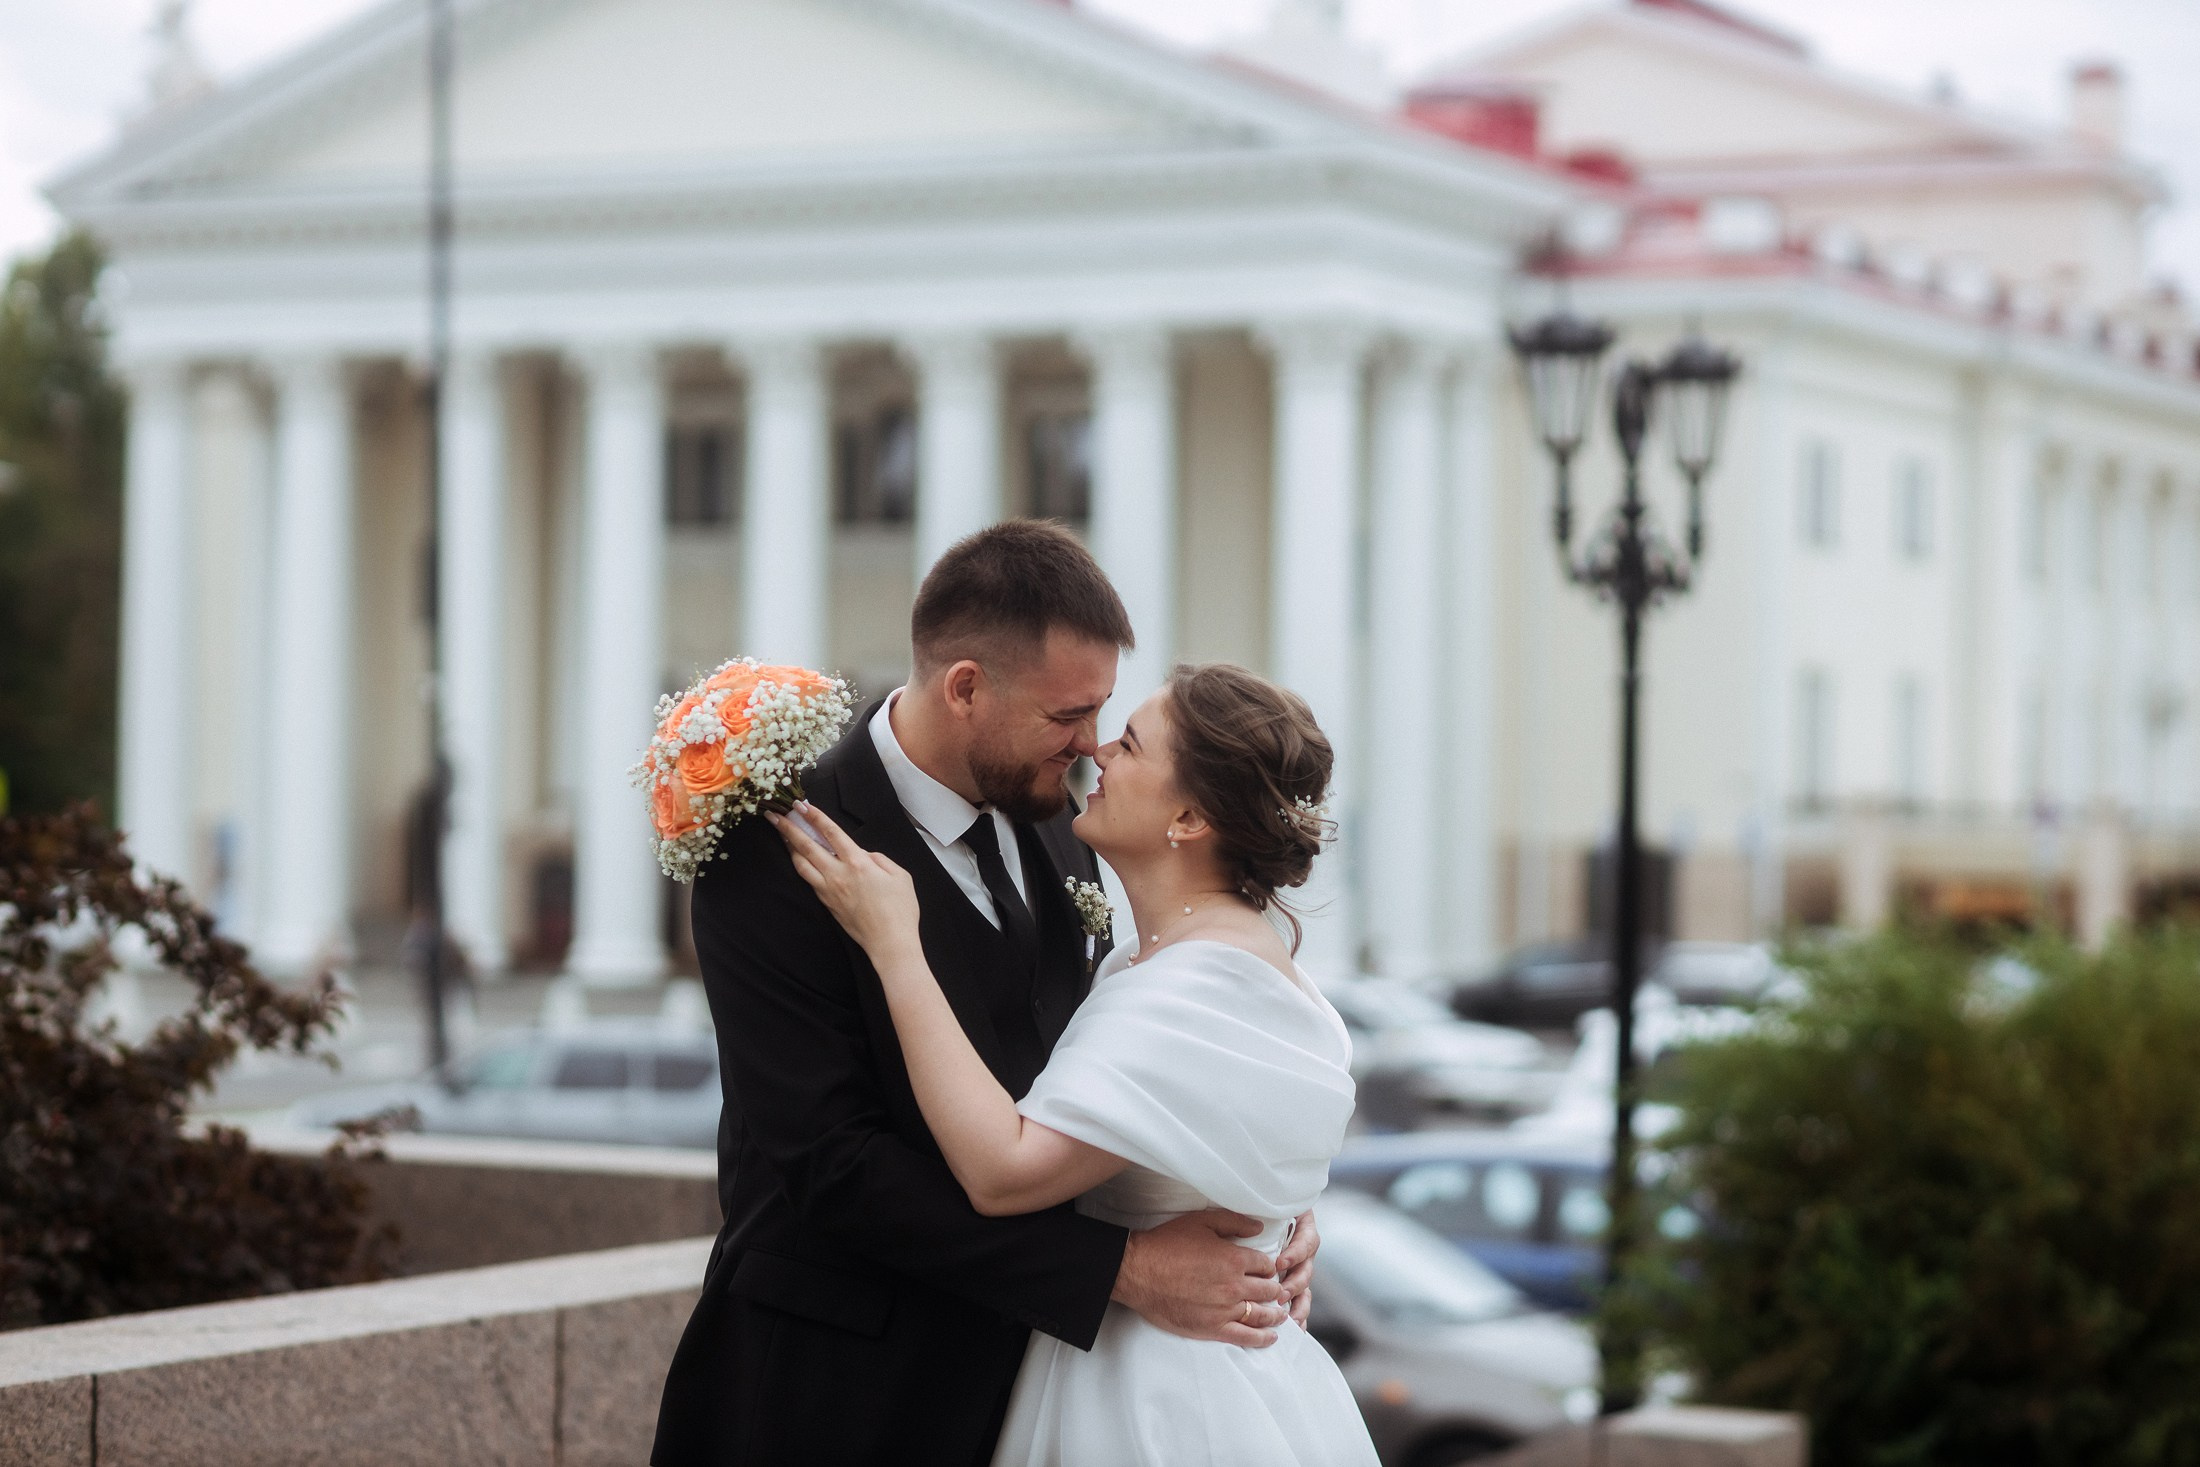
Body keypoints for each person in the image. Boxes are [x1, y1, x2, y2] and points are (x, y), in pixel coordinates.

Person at [651, 522, 1320, 1467]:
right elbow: (832, 1165)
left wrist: (1263, 1208)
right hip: (834, 1399)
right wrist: (1121, 1271)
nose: (1091, 744)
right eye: (1067, 715)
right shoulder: (779, 844)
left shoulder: (1063, 823)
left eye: (1103, 715)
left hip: (1031, 1390)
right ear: (966, 687)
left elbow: (1133, 1075)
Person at [772, 660, 1378, 1466]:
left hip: (1162, 1397)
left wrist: (896, 945)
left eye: (1129, 743)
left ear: (1190, 816)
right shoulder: (1179, 960)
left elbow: (1001, 1170)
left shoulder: (1191, 986)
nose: (1098, 750)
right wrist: (1278, 1213)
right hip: (1173, 1360)